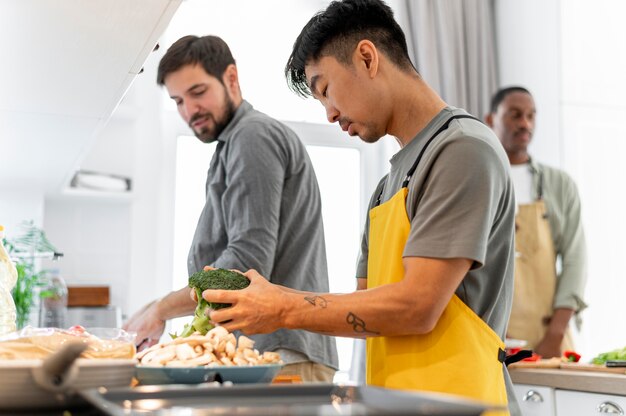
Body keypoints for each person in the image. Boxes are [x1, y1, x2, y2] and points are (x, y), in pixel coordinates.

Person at [199, 1, 519, 414]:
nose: (330, 113)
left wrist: (282, 307)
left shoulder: (462, 150)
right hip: (398, 404)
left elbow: (416, 307)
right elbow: (369, 312)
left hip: (464, 404)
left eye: (325, 89)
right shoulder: (387, 187)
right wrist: (272, 304)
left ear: (367, 57)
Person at [123, 35, 338, 382]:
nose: (189, 110)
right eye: (178, 101)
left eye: (197, 92)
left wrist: (162, 309)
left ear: (231, 78)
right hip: (269, 356)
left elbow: (243, 266)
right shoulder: (233, 144)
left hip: (279, 357)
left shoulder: (252, 137)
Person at [485, 86, 587, 358]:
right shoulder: (478, 181)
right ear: (490, 120)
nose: (525, 124)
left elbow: (576, 261)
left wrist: (554, 335)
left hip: (549, 337)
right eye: (515, 115)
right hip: (490, 337)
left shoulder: (559, 185)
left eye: (531, 116)